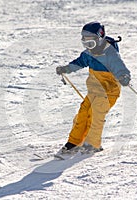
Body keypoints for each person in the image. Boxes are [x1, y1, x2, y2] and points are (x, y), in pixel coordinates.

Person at [55, 21, 131, 155]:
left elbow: (120, 67)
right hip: (94, 90)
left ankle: (92, 144)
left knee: (96, 114)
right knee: (83, 112)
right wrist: (66, 69)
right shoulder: (88, 54)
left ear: (100, 39)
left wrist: (124, 76)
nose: (89, 47)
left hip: (109, 92)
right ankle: (74, 142)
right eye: (86, 44)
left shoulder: (110, 54)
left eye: (91, 44)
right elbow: (79, 63)